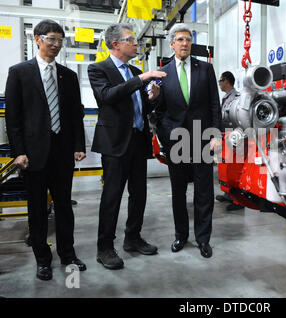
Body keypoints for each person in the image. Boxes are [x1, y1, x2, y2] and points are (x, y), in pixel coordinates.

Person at [5, 19, 87, 281]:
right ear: (37, 39)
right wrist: (18, 152)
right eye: (52, 38)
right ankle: (42, 258)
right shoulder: (19, 72)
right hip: (33, 154)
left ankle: (68, 253)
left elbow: (76, 115)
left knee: (64, 206)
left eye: (60, 40)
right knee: (37, 208)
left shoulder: (69, 75)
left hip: (62, 154)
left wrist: (78, 146)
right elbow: (13, 117)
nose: (56, 44)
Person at [88, 23, 166, 270]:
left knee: (139, 193)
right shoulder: (98, 69)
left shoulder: (134, 70)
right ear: (115, 44)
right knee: (111, 196)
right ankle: (105, 247)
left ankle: (132, 237)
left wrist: (152, 99)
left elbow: (140, 107)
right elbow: (108, 96)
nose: (136, 43)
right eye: (131, 40)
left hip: (137, 140)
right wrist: (142, 78)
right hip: (114, 144)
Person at [154, 23, 221, 258]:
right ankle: (181, 235)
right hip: (176, 142)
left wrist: (215, 134)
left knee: (204, 191)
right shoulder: (163, 72)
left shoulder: (205, 69)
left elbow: (215, 104)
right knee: (178, 191)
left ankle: (203, 239)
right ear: (171, 43)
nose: (185, 43)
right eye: (180, 39)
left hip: (202, 139)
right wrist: (165, 136)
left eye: (188, 39)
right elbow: (158, 109)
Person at [216, 71, 244, 211]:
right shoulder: (226, 97)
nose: (219, 84)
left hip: (235, 137)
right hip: (225, 136)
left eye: (220, 81)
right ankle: (228, 193)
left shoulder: (237, 98)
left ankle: (239, 201)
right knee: (225, 167)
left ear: (226, 81)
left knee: (234, 168)